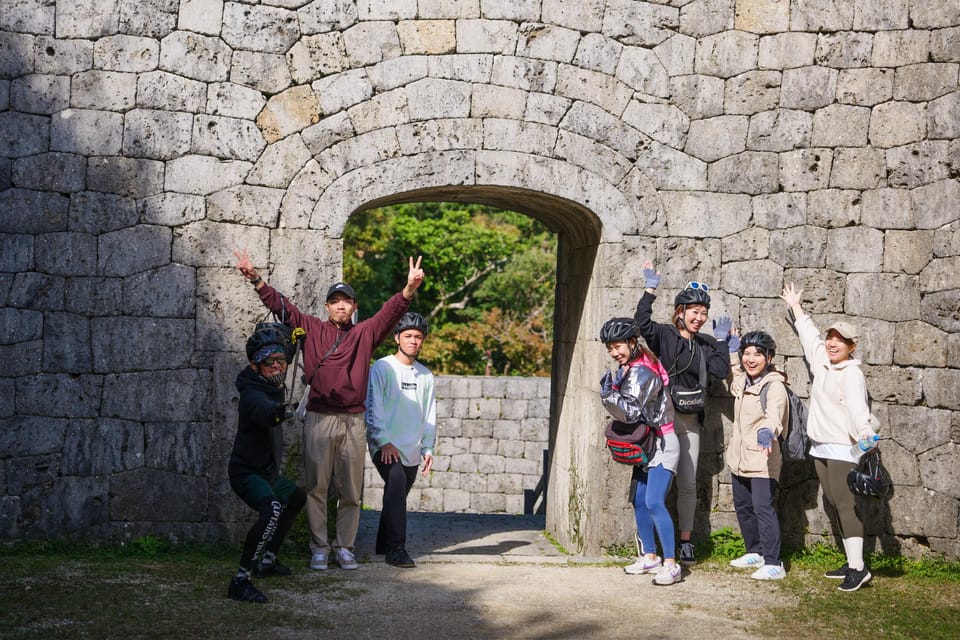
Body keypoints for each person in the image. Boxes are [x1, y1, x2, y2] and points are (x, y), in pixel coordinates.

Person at [234, 248, 425, 572]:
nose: (341, 305)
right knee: (317, 488)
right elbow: (283, 308)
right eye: (335, 300)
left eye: (346, 301)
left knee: (350, 491)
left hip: (354, 420)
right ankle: (319, 547)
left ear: (354, 307)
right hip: (320, 418)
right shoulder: (311, 327)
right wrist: (255, 278)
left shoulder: (365, 333)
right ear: (327, 306)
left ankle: (345, 548)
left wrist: (408, 290)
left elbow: (389, 314)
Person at [781, 283, 879, 592]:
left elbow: (859, 411)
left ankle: (859, 568)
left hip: (842, 448)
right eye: (831, 338)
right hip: (820, 446)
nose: (833, 343)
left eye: (841, 340)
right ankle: (851, 562)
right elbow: (810, 337)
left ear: (852, 347)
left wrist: (865, 435)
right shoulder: (823, 361)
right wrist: (796, 307)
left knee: (845, 504)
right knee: (834, 502)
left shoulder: (852, 373)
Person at [634, 261, 731, 565]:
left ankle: (685, 542)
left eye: (703, 313)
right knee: (654, 487)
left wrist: (722, 342)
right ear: (680, 311)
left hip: (691, 424)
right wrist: (650, 289)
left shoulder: (705, 344)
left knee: (688, 483)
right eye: (694, 311)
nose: (699, 318)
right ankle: (650, 547)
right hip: (662, 424)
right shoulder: (664, 335)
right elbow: (641, 324)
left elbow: (720, 370)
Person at [227, 325, 307, 603]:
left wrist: (293, 346)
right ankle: (240, 579)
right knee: (272, 508)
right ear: (254, 365)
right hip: (246, 473)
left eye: (281, 360)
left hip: (267, 472)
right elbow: (261, 409)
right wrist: (278, 412)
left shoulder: (270, 378)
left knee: (296, 497)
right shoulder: (252, 393)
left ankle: (268, 561)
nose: (277, 367)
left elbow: (280, 356)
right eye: (268, 363)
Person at [599, 318, 682, 586]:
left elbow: (630, 411)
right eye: (610, 348)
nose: (614, 353)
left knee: (655, 502)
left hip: (663, 443)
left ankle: (671, 563)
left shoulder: (641, 372)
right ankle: (650, 556)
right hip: (646, 443)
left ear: (633, 343)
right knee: (639, 500)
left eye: (618, 346)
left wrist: (608, 395)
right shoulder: (632, 368)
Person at [365, 312, 436, 568]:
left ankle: (382, 544)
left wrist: (428, 447)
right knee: (395, 481)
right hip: (385, 445)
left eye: (418, 337)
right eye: (408, 336)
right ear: (397, 338)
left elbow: (429, 414)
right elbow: (373, 407)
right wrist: (383, 440)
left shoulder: (426, 376)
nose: (413, 341)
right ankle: (396, 549)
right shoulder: (382, 368)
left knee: (397, 494)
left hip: (412, 448)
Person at [726, 330, 788, 580]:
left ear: (769, 357)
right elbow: (734, 375)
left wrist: (767, 431)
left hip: (763, 457)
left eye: (758, 354)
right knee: (743, 506)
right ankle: (755, 551)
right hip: (740, 457)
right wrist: (731, 349)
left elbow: (775, 414)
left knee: (763, 507)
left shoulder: (774, 386)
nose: (750, 359)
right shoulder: (743, 382)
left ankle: (774, 562)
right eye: (747, 353)